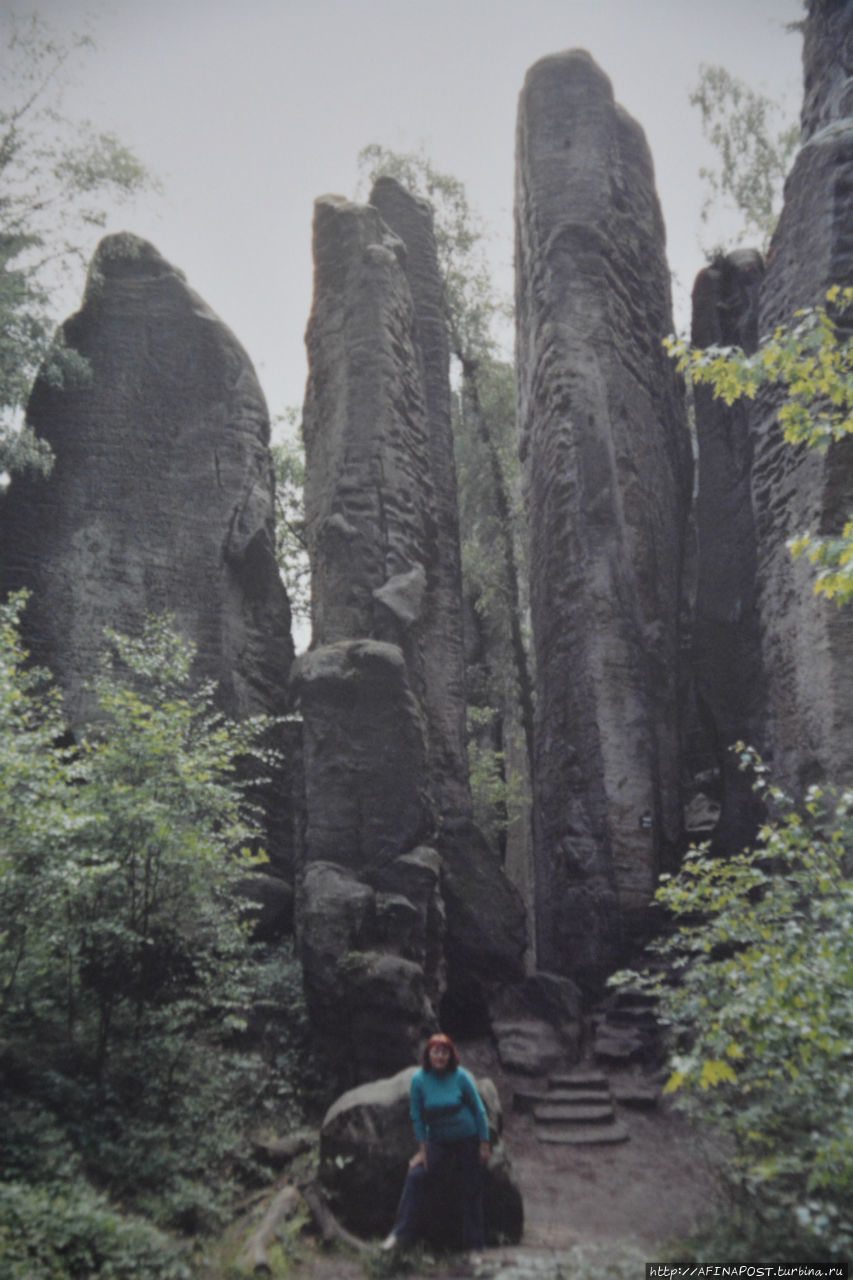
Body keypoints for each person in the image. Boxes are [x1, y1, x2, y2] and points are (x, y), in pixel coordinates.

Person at [381, 1032, 491, 1253]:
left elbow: (478, 1110)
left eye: (444, 1052)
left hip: (466, 1138)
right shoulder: (419, 1080)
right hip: (438, 1141)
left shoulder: (461, 1077)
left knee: (471, 1186)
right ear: (428, 1054)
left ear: (451, 1055)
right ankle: (399, 1235)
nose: (440, 1056)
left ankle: (475, 1247)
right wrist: (422, 1150)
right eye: (436, 1052)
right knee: (416, 1176)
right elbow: (417, 1117)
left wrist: (484, 1142)